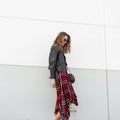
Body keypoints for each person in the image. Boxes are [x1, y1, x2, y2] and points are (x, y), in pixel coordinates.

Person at [48, 31, 78, 120]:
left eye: (67, 41)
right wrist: (53, 78)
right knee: (63, 104)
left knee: (64, 104)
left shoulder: (60, 50)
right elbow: (52, 64)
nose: (65, 42)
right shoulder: (55, 47)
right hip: (60, 77)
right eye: (64, 40)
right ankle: (64, 114)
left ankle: (65, 114)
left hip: (64, 76)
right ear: (60, 38)